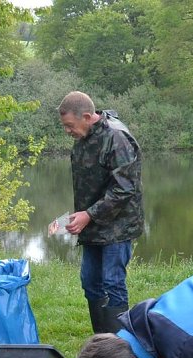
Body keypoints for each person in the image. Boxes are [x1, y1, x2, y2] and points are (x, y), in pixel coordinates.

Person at [57, 91, 144, 334]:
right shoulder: (83, 137)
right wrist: (75, 218)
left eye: (69, 125)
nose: (67, 131)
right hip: (93, 223)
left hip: (118, 225)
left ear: (87, 116)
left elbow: (125, 188)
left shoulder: (117, 138)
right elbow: (90, 186)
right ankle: (102, 340)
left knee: (112, 282)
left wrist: (89, 215)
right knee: (90, 282)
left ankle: (119, 345)